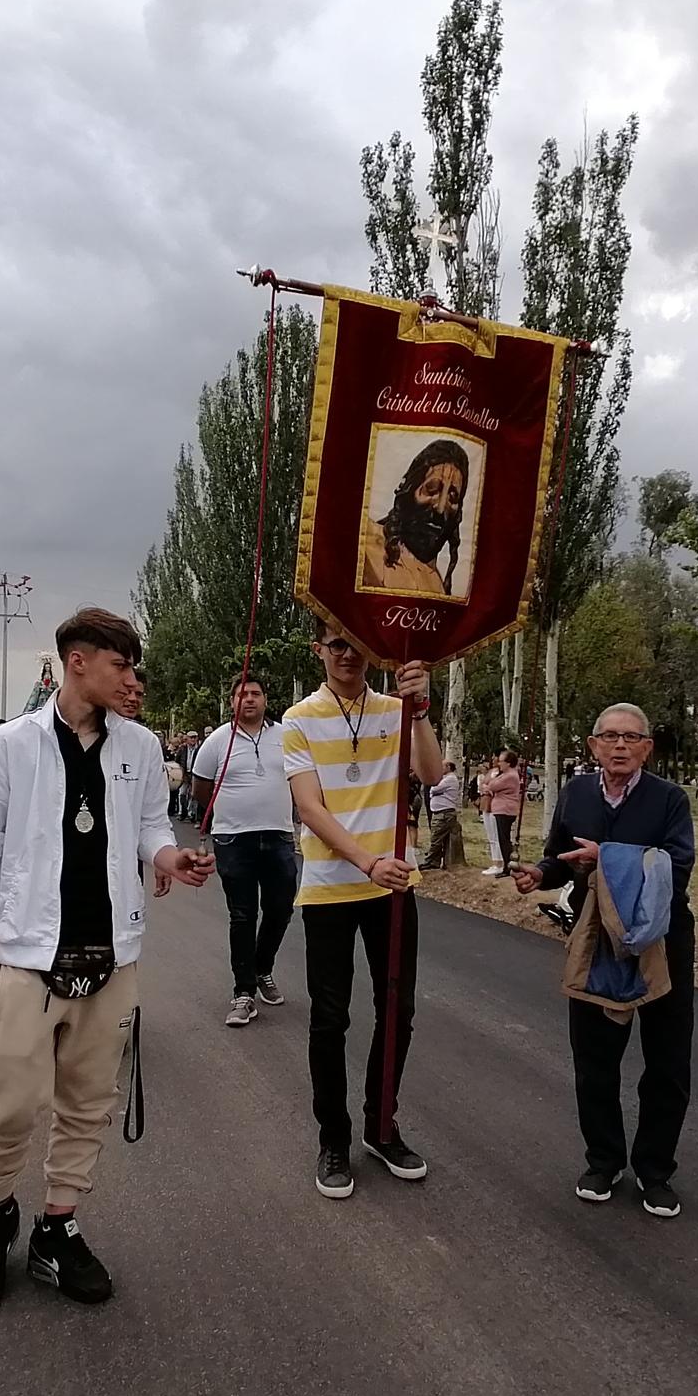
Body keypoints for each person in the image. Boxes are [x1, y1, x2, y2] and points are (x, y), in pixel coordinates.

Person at [0, 607, 215, 1312]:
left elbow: (152, 827)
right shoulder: (10, 746)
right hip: (31, 957)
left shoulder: (139, 747)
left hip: (113, 954)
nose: (132, 679)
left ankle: (57, 1227)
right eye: (121, 665)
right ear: (79, 663)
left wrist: (171, 857)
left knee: (88, 1103)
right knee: (10, 1108)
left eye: (132, 667)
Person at [282, 615, 443, 1200]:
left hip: (392, 889)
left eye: (357, 644)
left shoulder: (397, 709)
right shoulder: (299, 721)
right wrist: (366, 860)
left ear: (372, 651)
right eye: (336, 644)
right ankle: (334, 1137)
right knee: (330, 1017)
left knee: (398, 1009)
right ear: (319, 649)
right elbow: (310, 809)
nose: (347, 654)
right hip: (330, 888)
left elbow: (430, 773)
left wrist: (420, 710)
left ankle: (381, 1126)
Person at [512, 703, 694, 1218]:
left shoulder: (669, 799)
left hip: (662, 939)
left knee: (667, 1060)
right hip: (595, 937)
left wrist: (606, 856)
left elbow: (677, 868)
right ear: (592, 745)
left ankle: (655, 1171)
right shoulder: (575, 794)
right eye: (609, 736)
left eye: (631, 737)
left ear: (647, 748)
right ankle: (604, 1160)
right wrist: (539, 875)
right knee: (595, 1059)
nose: (620, 746)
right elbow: (560, 857)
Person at [191, 679, 296, 1027]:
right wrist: (229, 813)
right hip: (234, 841)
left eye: (255, 693)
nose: (248, 699)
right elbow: (200, 786)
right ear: (231, 700)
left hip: (279, 837)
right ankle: (244, 993)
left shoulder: (286, 735)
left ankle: (262, 967)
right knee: (242, 915)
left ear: (266, 699)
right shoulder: (218, 740)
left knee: (281, 908)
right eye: (241, 694)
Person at [358, 438, 469, 596]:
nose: (440, 507)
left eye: (453, 498)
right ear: (409, 489)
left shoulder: (436, 585)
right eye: (431, 490)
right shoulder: (364, 544)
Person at [478, 750, 523, 876]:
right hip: (502, 809)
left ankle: (507, 867)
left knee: (504, 839)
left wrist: (488, 787)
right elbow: (486, 785)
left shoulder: (509, 776)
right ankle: (507, 866)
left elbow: (491, 785)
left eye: (501, 761)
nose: (499, 764)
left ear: (508, 763)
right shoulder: (506, 774)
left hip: (505, 810)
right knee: (503, 838)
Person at [420, 759, 462, 869]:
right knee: (437, 837)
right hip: (440, 812)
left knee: (436, 838)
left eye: (442, 766)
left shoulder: (450, 779)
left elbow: (434, 789)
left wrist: (435, 791)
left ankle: (429, 861)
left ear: (448, 767)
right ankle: (435, 861)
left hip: (444, 813)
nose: (440, 768)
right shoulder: (445, 779)